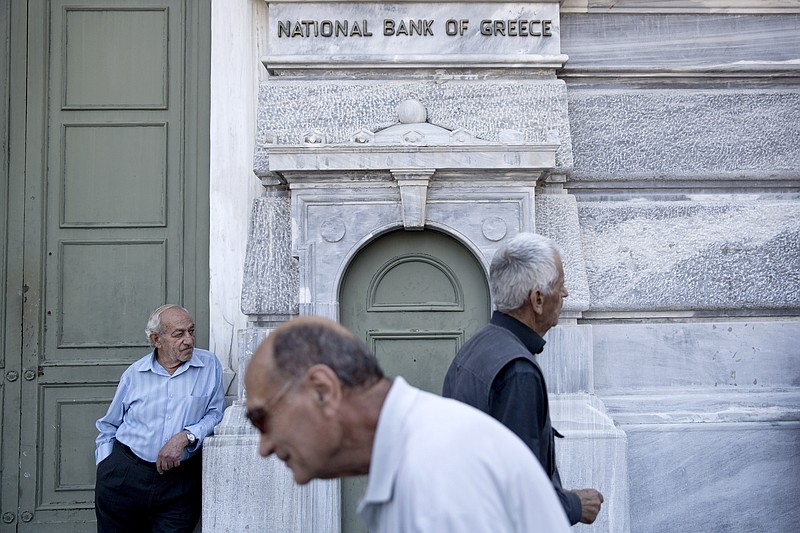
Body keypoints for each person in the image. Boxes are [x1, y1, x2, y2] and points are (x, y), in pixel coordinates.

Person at [244, 316, 571, 533]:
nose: (264, 447)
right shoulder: (423, 455)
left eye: (261, 419)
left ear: (323, 390)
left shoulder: (436, 476)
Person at [443, 232, 605, 526]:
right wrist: (575, 505)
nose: (565, 293)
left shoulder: (475, 349)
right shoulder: (517, 371)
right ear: (538, 299)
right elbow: (517, 496)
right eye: (560, 284)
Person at [95, 304, 225, 532]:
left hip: (179, 481)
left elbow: (215, 414)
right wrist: (106, 468)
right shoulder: (135, 374)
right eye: (179, 334)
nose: (189, 340)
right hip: (126, 475)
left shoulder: (209, 365)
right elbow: (109, 425)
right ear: (156, 339)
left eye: (191, 331)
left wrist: (187, 436)